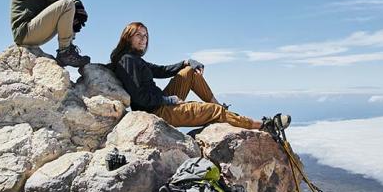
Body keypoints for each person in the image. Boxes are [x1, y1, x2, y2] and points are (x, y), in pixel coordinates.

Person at [111, 22, 282, 131]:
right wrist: (169, 101)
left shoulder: (133, 59)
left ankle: (222, 109)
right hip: (156, 111)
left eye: (146, 35)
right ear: (128, 37)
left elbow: (162, 70)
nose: (144, 39)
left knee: (190, 72)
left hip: (159, 103)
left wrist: (186, 62)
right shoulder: (128, 61)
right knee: (213, 111)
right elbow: (139, 97)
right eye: (139, 35)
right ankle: (260, 125)